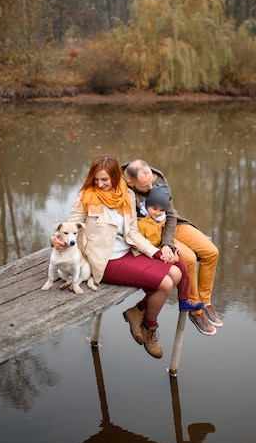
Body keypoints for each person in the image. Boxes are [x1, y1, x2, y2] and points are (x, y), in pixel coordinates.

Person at [50, 154, 183, 359]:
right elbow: (70, 225)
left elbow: (132, 233)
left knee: (175, 272)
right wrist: (55, 239)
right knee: (165, 284)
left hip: (128, 252)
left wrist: (157, 253)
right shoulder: (86, 197)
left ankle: (136, 312)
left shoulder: (126, 196)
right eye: (96, 179)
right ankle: (150, 328)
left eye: (104, 179)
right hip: (106, 260)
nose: (100, 184)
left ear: (114, 176)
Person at [121, 159, 223, 336]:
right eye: (146, 185)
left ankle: (205, 302)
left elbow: (170, 214)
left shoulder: (157, 178)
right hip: (149, 233)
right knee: (189, 258)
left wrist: (168, 243)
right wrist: (164, 244)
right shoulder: (122, 189)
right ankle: (195, 309)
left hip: (170, 225)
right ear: (131, 182)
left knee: (211, 252)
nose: (152, 188)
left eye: (151, 182)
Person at [137, 182, 203, 312]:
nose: (157, 213)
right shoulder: (141, 221)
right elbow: (141, 243)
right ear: (147, 205)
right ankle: (143, 305)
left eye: (161, 210)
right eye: (154, 209)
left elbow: (161, 234)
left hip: (159, 249)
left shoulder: (160, 218)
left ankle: (184, 300)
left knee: (183, 265)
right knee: (170, 272)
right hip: (146, 253)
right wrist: (160, 253)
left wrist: (172, 245)